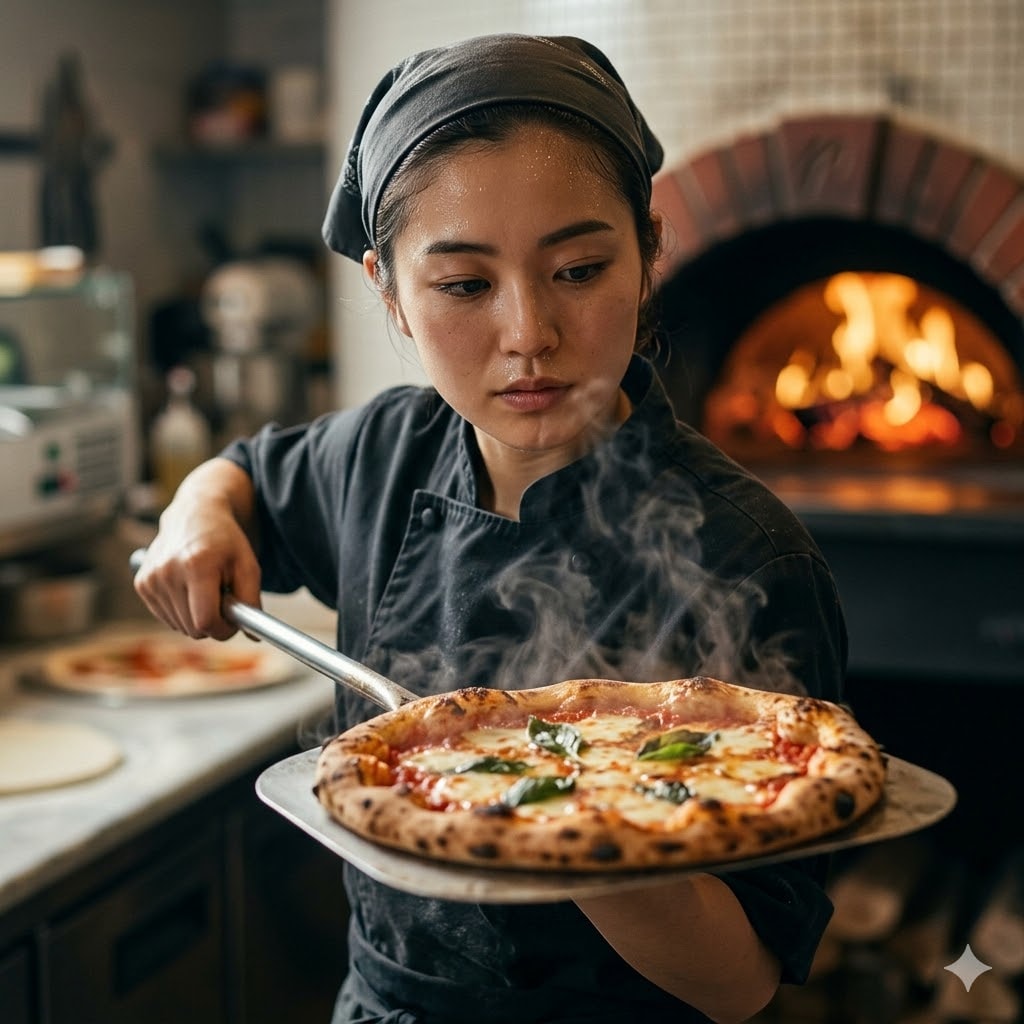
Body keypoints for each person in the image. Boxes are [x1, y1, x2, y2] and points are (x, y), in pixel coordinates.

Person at [134, 33, 845, 1024]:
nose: (527, 334)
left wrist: (567, 805)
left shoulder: (747, 554)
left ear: (648, 255)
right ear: (386, 289)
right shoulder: (386, 450)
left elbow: (737, 983)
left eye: (579, 268)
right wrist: (194, 514)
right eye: (465, 284)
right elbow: (244, 472)